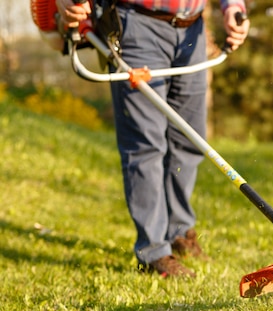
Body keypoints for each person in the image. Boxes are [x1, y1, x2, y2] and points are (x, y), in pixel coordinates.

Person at [56, 0, 250, 277]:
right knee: (145, 144)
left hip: (191, 28)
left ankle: (179, 232)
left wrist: (232, 6)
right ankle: (154, 252)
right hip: (137, 25)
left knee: (188, 140)